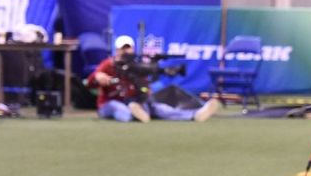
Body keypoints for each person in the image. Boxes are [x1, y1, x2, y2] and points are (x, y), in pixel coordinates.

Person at [88, 36, 221, 123]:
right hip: (109, 103)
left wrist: (146, 92)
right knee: (121, 110)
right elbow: (90, 83)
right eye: (123, 48)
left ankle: (195, 114)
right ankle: (135, 115)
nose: (126, 51)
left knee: (159, 108)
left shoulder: (136, 65)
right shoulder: (108, 65)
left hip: (133, 101)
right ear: (117, 50)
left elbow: (144, 85)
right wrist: (97, 77)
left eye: (128, 48)